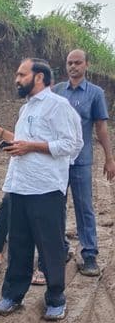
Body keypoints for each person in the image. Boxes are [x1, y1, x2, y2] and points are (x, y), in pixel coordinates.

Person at [0, 58, 82, 321]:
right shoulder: (26, 109)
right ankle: (12, 295)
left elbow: (71, 144)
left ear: (39, 77)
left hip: (46, 188)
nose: (17, 79)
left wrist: (31, 147)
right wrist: (17, 146)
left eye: (21, 74)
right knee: (19, 244)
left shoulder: (58, 106)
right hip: (20, 185)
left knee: (50, 245)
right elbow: (23, 143)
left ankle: (56, 299)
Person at [52, 49, 114, 276]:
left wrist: (109, 158)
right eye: (69, 62)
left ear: (86, 65)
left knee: (84, 207)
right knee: (56, 207)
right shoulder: (57, 91)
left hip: (82, 161)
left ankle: (89, 254)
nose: (73, 66)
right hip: (57, 161)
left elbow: (101, 128)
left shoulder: (95, 93)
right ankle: (60, 249)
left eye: (78, 62)